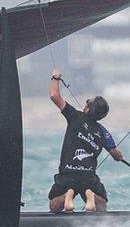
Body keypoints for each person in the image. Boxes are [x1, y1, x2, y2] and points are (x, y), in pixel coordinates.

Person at [48, 69, 123, 212]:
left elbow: (54, 96)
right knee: (101, 206)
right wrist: (117, 154)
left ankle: (66, 196)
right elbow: (117, 156)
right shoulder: (102, 132)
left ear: (87, 109)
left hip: (67, 174)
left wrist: (55, 78)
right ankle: (91, 196)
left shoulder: (75, 116)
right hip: (88, 177)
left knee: (54, 206)